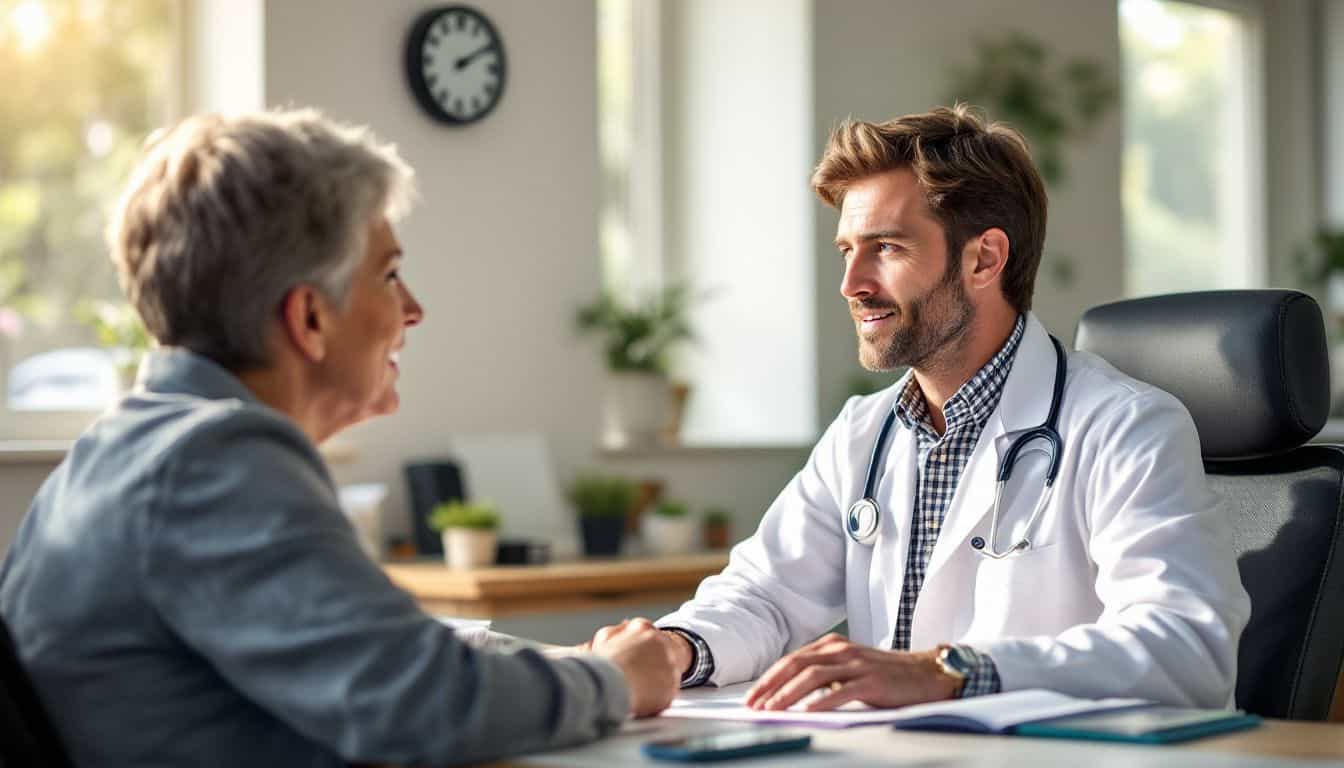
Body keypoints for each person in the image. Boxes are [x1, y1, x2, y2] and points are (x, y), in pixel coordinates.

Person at [0, 109, 681, 768]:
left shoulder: (119, 451)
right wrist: (611, 681)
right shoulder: (216, 461)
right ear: (309, 318)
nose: (414, 309)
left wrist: (520, 663)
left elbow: (366, 652)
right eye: (388, 275)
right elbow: (423, 704)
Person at [591, 105, 1250, 712]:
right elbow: (765, 594)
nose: (851, 285)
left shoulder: (1125, 426)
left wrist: (950, 671)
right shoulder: (863, 434)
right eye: (849, 251)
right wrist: (677, 648)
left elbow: (1186, 648)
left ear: (985, 259)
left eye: (887, 247)